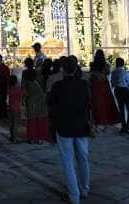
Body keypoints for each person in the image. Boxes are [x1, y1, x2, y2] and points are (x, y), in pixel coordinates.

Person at [49, 58, 91, 204]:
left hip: (64, 127)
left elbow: (52, 107)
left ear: (62, 70)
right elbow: (88, 104)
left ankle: (74, 195)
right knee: (83, 158)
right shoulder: (84, 84)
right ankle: (84, 188)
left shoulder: (57, 86)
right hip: (81, 126)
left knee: (68, 161)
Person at [89, 51, 119, 132]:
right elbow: (108, 73)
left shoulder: (92, 64)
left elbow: (91, 74)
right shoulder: (106, 65)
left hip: (95, 84)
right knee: (105, 103)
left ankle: (96, 123)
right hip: (104, 84)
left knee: (96, 103)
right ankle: (105, 123)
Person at [23, 65, 49, 144]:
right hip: (38, 106)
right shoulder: (34, 84)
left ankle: (32, 138)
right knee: (38, 122)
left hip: (32, 106)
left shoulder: (28, 83)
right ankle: (38, 138)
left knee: (32, 123)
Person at [111, 57, 129, 135]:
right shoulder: (125, 73)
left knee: (121, 109)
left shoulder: (113, 73)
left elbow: (112, 83)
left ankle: (123, 127)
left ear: (116, 64)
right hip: (124, 90)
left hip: (117, 91)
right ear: (123, 64)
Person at [0, 54, 10, 120]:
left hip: (0, 85)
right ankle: (3, 115)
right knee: (1, 100)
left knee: (1, 101)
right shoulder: (5, 67)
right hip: (2, 85)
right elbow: (8, 78)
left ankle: (2, 115)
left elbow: (7, 78)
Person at [8, 75, 23, 143]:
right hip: (16, 108)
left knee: (11, 123)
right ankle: (14, 138)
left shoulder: (10, 89)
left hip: (10, 107)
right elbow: (23, 94)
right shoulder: (18, 89)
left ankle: (12, 136)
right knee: (15, 124)